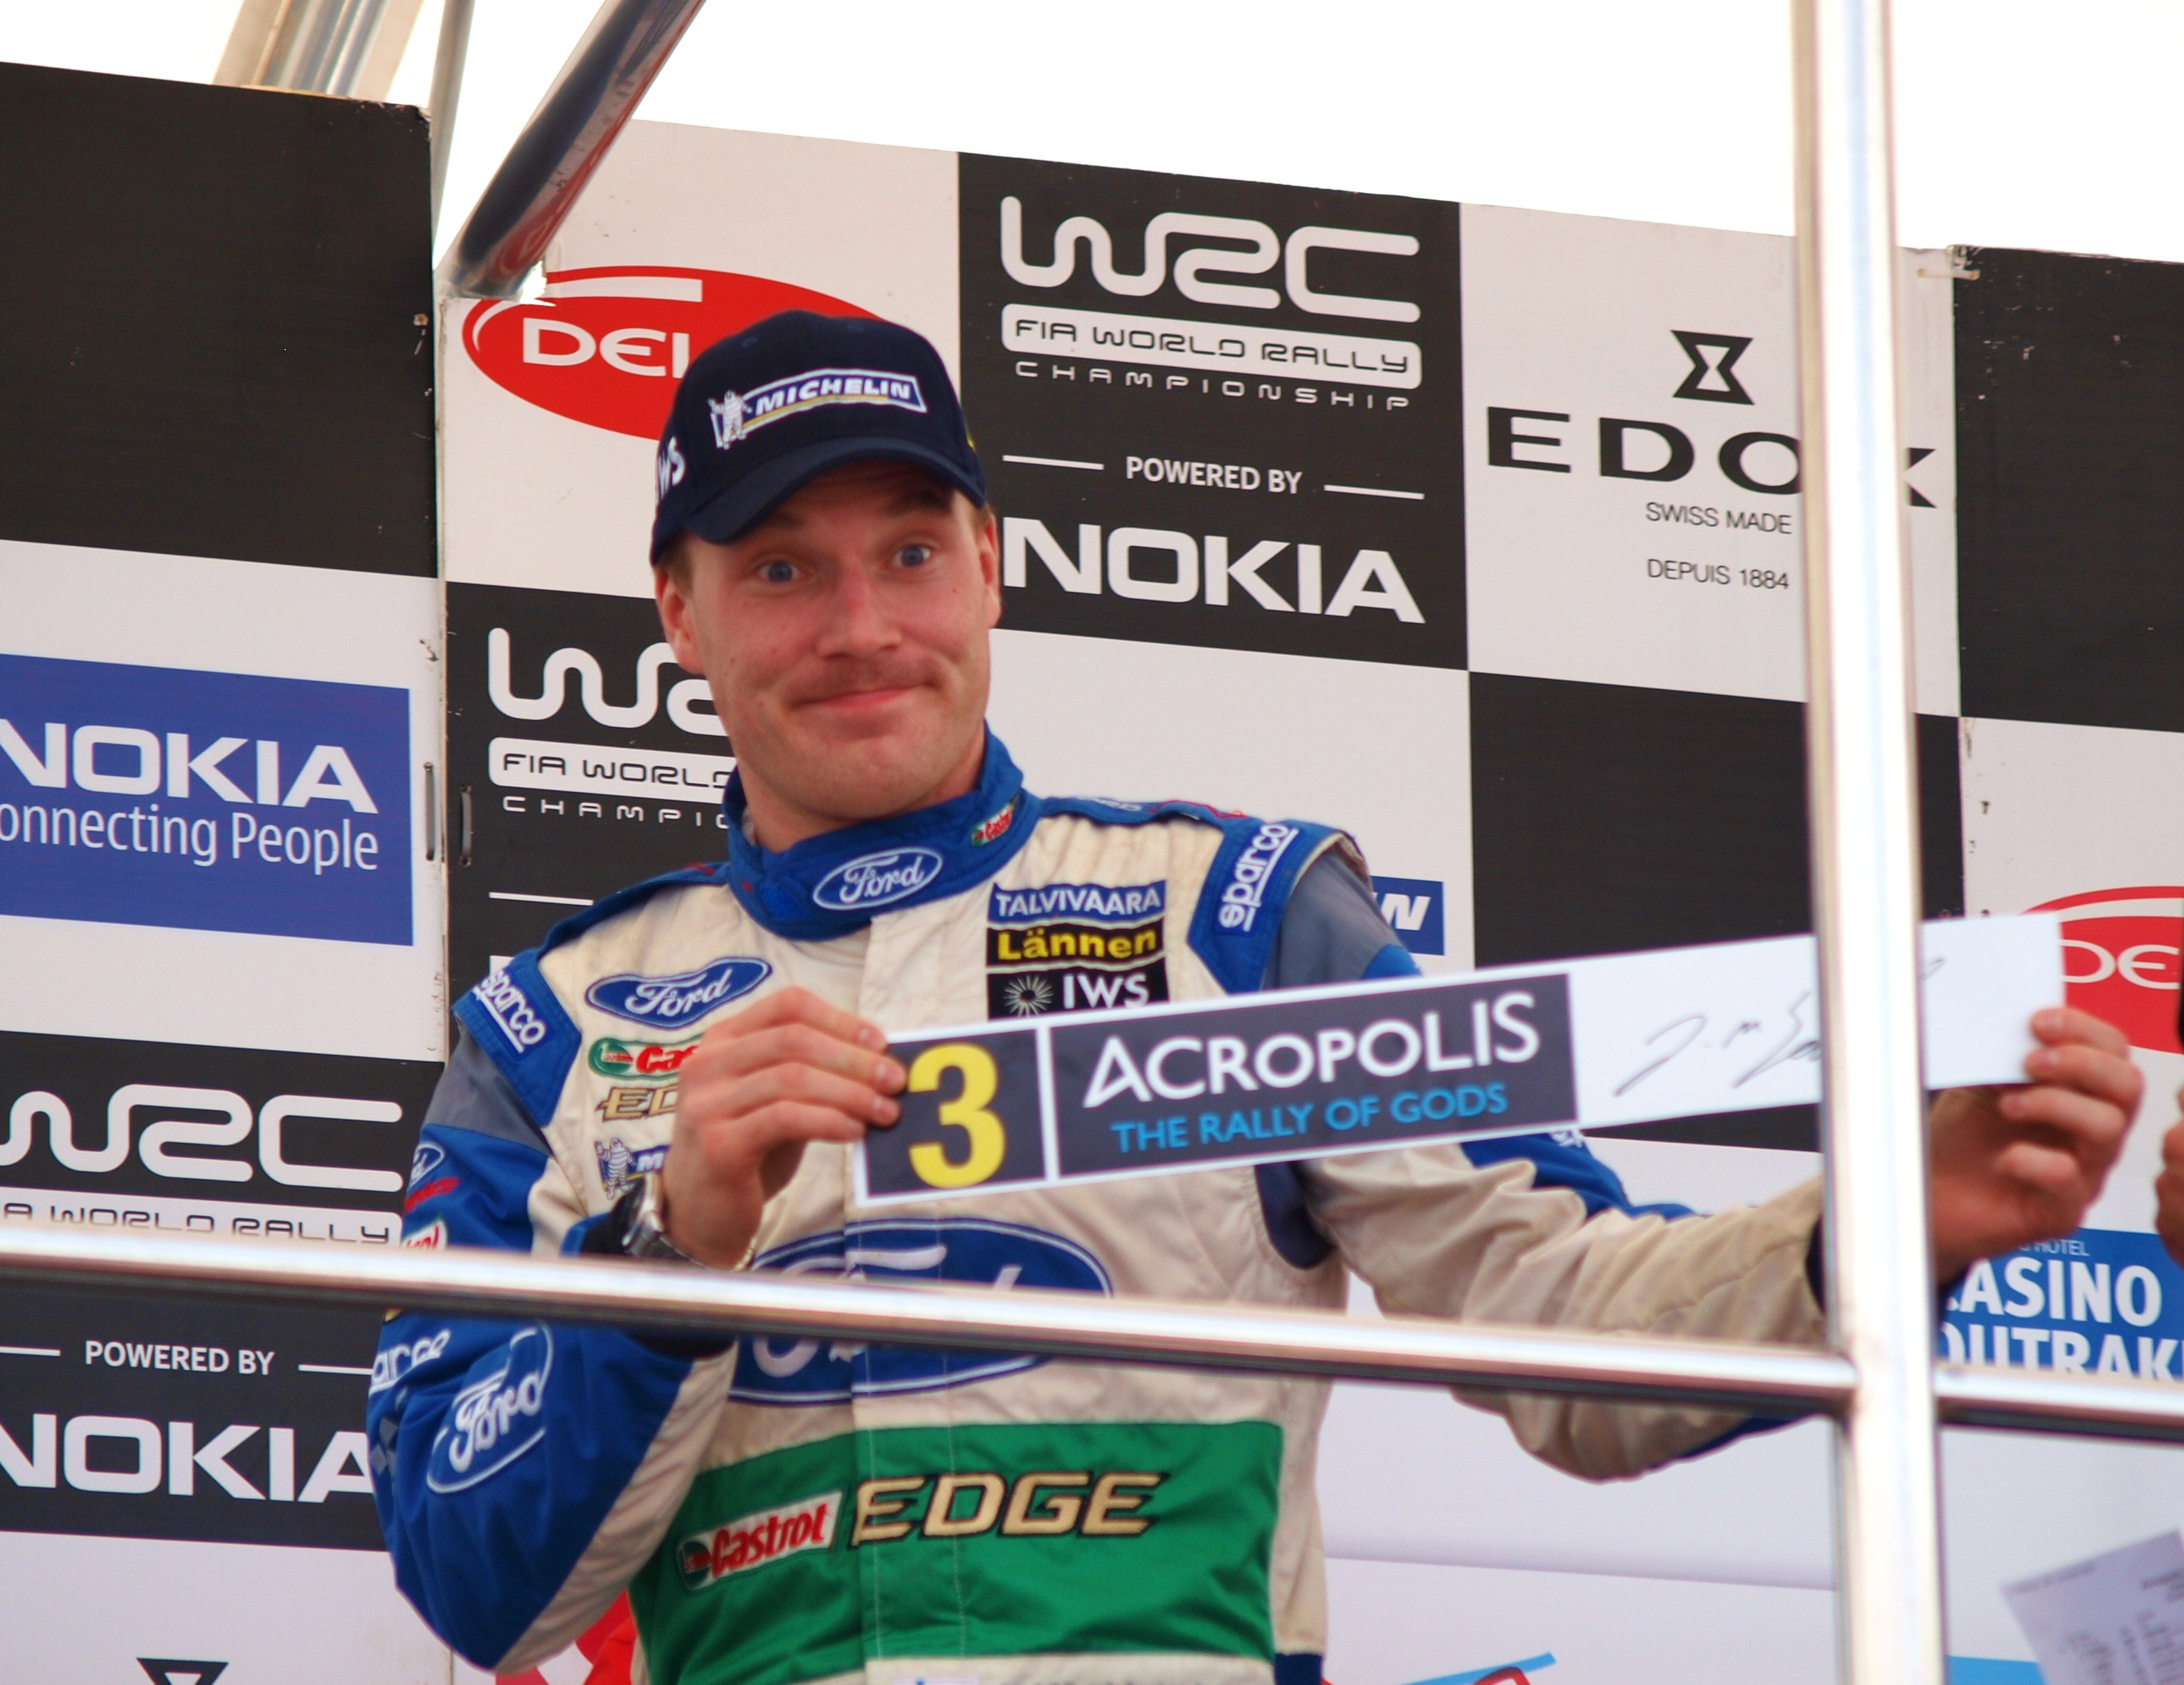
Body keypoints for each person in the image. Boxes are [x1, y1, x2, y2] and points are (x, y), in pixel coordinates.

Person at [369, 310, 2143, 1685]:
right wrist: (667, 1249)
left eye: (909, 551)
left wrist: (1891, 1225)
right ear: (678, 611)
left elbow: (1563, 1325)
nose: (859, 623)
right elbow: (473, 1583)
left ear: (991, 564)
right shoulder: (554, 1027)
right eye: (778, 567)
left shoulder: (1233, 917)